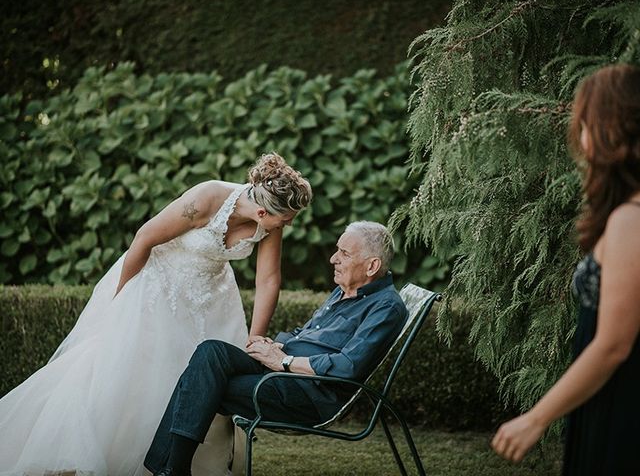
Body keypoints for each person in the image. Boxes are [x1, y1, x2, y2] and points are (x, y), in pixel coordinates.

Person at [0, 152, 312, 476]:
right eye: (286, 220)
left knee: (205, 380)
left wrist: (254, 338)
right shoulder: (206, 199)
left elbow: (268, 279)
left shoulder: (271, 218)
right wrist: (118, 301)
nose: (288, 225)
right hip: (159, 287)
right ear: (262, 211)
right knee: (131, 374)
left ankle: (180, 462)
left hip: (213, 299)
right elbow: (144, 238)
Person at [143, 221, 408, 476]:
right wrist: (276, 345)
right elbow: (309, 334)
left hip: (311, 392)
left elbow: (348, 366)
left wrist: (284, 361)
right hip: (284, 371)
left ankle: (171, 469)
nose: (333, 259)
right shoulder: (345, 290)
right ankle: (172, 469)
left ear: (372, 265)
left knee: (205, 382)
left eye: (344, 253)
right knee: (211, 352)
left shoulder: (386, 308)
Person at [491, 64, 640, 474]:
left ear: (615, 130)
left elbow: (614, 344)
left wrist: (536, 418)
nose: (583, 138)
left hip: (623, 405)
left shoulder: (632, 219)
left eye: (588, 125)